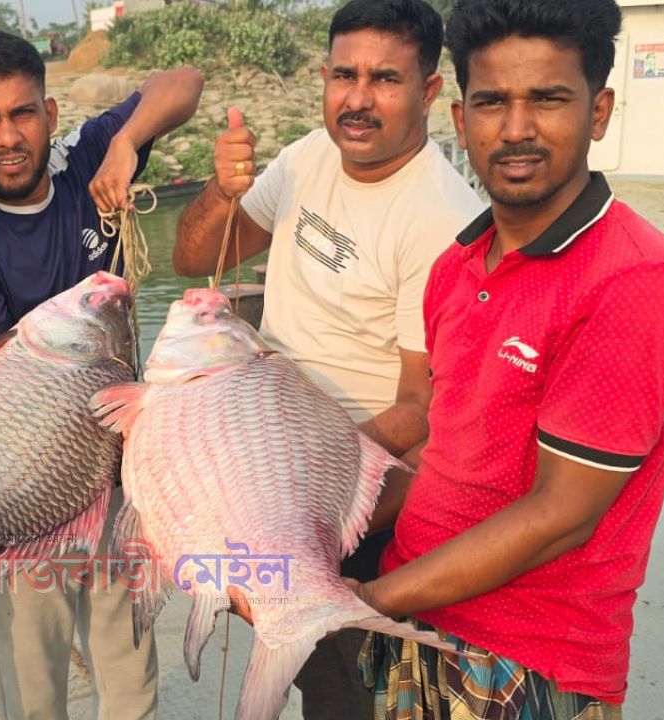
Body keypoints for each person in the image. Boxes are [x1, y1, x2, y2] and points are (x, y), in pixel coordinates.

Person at [351, 0, 664, 717]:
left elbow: (560, 515)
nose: (516, 130)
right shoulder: (457, 266)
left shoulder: (632, 281)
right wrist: (317, 532)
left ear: (599, 111)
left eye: (547, 99)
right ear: (459, 120)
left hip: (526, 663)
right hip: (413, 623)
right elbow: (443, 456)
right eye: (491, 102)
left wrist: (361, 599)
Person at [172, 1, 483, 717]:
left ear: (430, 93)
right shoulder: (307, 157)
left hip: (358, 502)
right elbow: (195, 260)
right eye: (344, 75)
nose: (358, 99)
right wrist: (222, 191)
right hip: (265, 464)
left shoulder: (441, 216)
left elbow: (422, 407)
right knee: (302, 669)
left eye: (385, 79)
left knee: (348, 693)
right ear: (323, 76)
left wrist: (300, 484)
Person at [0, 30, 203, 719]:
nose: (8, 136)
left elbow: (184, 80)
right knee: (35, 690)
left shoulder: (86, 159)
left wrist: (127, 141)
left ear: (49, 113)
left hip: (115, 483)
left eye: (23, 113)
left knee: (130, 679)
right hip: (21, 492)